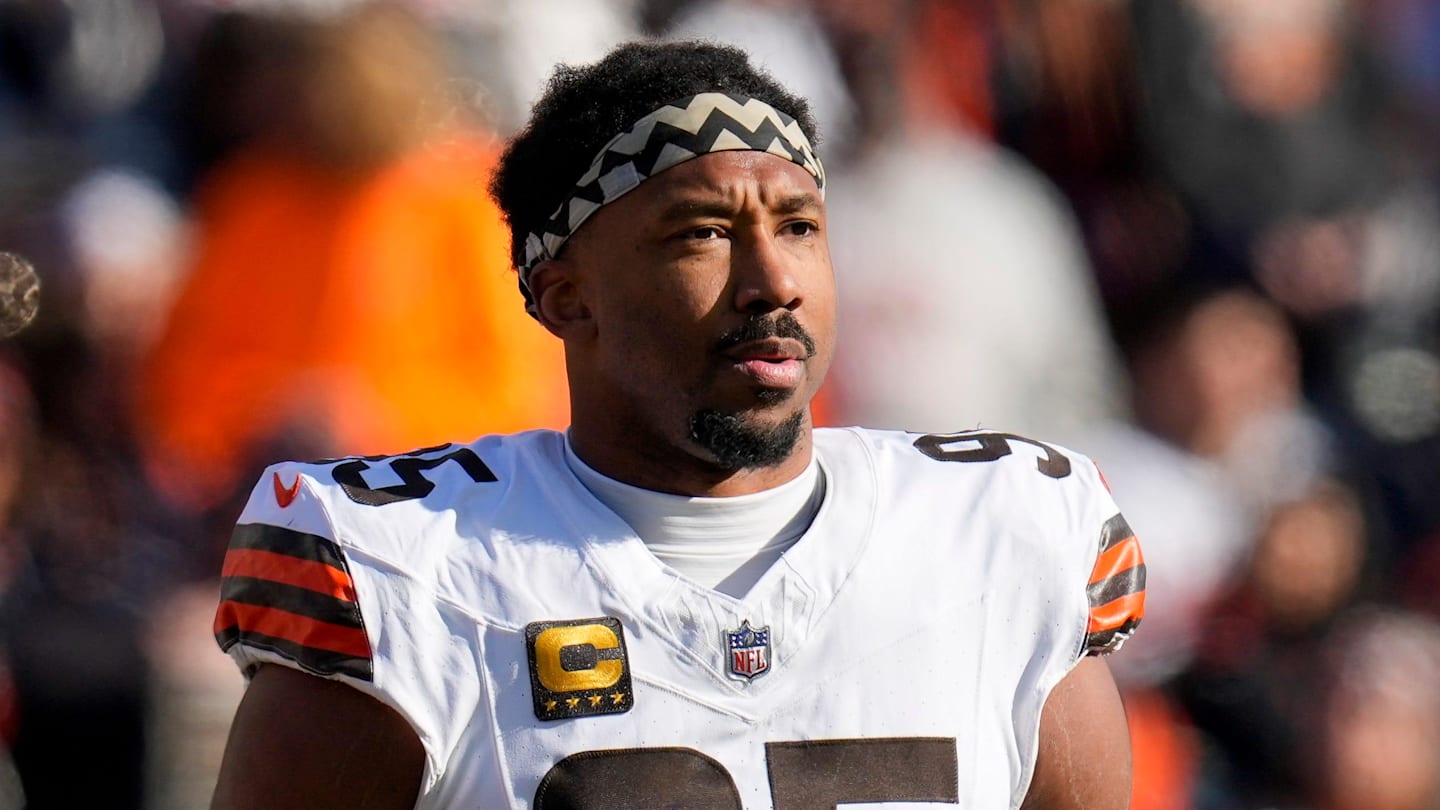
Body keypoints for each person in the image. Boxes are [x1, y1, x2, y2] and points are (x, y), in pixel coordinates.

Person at [209, 40, 1145, 809]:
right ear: (568, 297)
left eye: (799, 227)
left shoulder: (1005, 534)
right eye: (701, 233)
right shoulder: (401, 567)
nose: (773, 281)